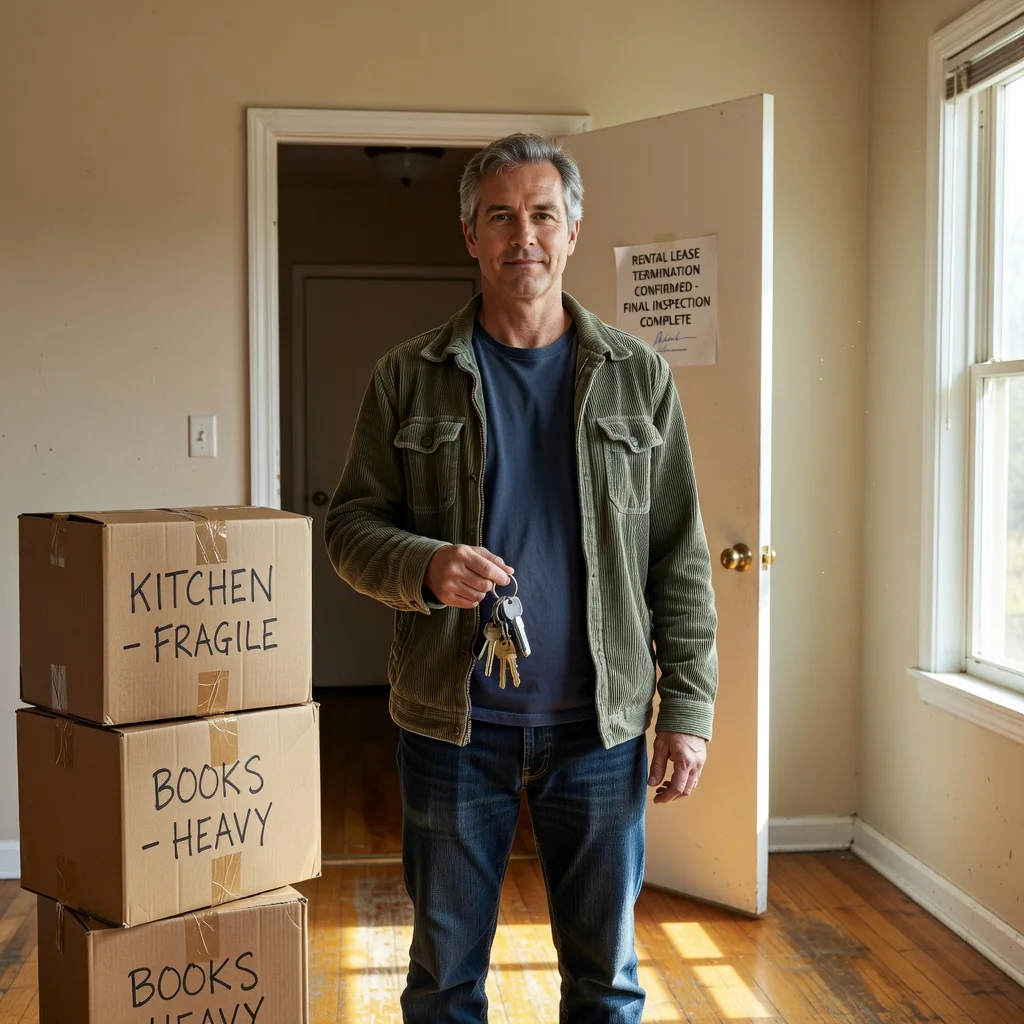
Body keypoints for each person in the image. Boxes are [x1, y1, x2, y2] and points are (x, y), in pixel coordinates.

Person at [325, 133, 718, 1024]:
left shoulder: (638, 378)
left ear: (573, 230)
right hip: (452, 725)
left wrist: (688, 710)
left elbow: (679, 556)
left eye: (543, 214)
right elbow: (349, 529)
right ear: (470, 235)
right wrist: (426, 565)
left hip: (600, 730)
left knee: (607, 982)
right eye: (500, 216)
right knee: (444, 982)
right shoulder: (408, 377)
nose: (523, 235)